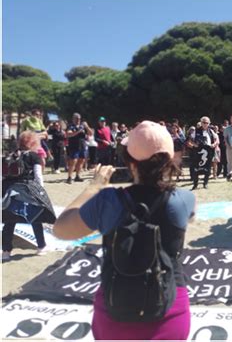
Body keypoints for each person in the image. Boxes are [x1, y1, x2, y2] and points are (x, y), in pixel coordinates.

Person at [53, 121, 194, 340]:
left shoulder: (107, 201)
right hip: (170, 309)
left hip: (115, 308)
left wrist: (93, 187)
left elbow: (61, 229)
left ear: (129, 161)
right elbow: (187, 217)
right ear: (169, 159)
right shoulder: (184, 199)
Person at [3, 131, 56, 261]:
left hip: (10, 191)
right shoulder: (34, 156)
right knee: (35, 218)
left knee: (10, 221)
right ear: (33, 142)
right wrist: (41, 191)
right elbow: (38, 176)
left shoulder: (10, 156)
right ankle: (41, 247)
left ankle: (6, 251)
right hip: (27, 191)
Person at [190, 117, 218, 190]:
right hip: (198, 152)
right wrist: (194, 144)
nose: (205, 124)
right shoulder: (196, 131)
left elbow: (216, 140)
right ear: (201, 122)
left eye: (207, 123)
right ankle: (195, 184)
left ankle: (205, 183)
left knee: (208, 168)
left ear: (209, 123)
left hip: (208, 152)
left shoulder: (211, 131)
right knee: (196, 168)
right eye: (204, 122)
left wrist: (214, 144)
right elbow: (190, 139)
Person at [66, 113, 92, 184]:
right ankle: (69, 177)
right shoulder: (71, 126)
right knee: (73, 161)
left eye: (79, 118)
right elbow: (68, 134)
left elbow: (90, 133)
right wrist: (78, 132)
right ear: (73, 119)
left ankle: (77, 175)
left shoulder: (82, 126)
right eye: (76, 118)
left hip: (82, 146)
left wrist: (87, 127)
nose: (78, 120)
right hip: (74, 146)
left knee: (81, 161)